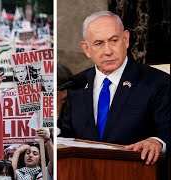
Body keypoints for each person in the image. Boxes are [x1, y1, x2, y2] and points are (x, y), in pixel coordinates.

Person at [59, 11, 170, 165]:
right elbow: (67, 135)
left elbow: (167, 128)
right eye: (99, 43)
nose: (108, 51)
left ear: (125, 40)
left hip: (136, 171)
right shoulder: (77, 84)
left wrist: (157, 141)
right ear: (86, 49)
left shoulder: (157, 82)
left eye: (114, 41)